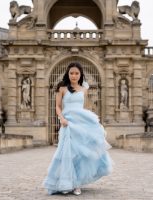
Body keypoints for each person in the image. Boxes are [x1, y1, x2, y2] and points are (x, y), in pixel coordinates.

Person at [43, 62, 113, 195]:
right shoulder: (62, 88)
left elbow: (84, 108)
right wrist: (61, 118)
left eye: (76, 73)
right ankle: (67, 181)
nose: (74, 76)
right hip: (68, 123)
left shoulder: (84, 89)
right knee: (67, 153)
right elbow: (57, 106)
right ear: (67, 74)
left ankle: (77, 183)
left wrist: (93, 124)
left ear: (80, 75)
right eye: (71, 73)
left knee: (80, 154)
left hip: (81, 123)